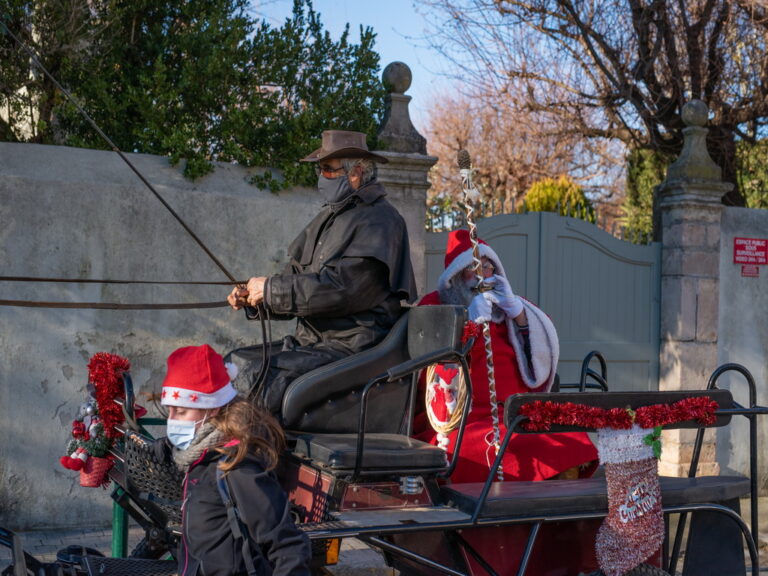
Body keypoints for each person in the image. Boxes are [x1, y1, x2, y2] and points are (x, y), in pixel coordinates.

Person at [227, 130, 416, 418]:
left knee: (254, 379)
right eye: (321, 169)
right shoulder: (328, 218)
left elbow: (344, 291)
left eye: (328, 169)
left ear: (355, 173)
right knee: (230, 367)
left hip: (353, 348)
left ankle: (250, 460)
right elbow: (294, 280)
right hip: (312, 344)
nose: (321, 176)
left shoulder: (381, 220)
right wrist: (255, 298)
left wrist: (271, 290)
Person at [413, 229, 598, 483]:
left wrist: (519, 314)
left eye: (487, 266)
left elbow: (542, 344)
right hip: (467, 416)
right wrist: (470, 323)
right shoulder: (435, 305)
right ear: (455, 276)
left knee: (570, 438)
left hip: (514, 409)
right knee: (485, 447)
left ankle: (557, 519)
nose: (482, 274)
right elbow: (434, 362)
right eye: (473, 268)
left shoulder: (510, 303)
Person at [158, 344, 311, 576]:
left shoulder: (236, 465)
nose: (172, 421)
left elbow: (286, 545)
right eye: (169, 411)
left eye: (180, 412)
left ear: (211, 409)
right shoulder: (200, 454)